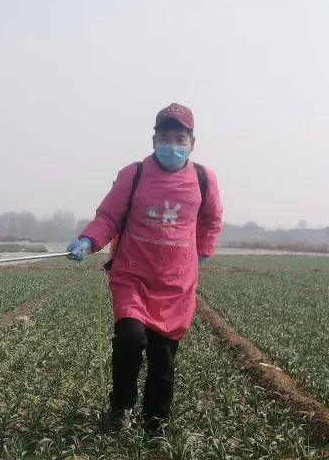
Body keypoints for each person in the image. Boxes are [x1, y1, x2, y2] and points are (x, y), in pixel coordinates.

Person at [65, 103, 223, 435]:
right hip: (132, 276)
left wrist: (201, 256)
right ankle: (121, 409)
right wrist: (88, 240)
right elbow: (108, 216)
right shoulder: (133, 175)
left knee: (163, 359)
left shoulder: (203, 179)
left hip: (175, 285)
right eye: (165, 137)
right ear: (153, 141)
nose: (172, 145)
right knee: (129, 338)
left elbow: (210, 221)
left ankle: (155, 423)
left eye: (179, 138)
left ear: (192, 143)